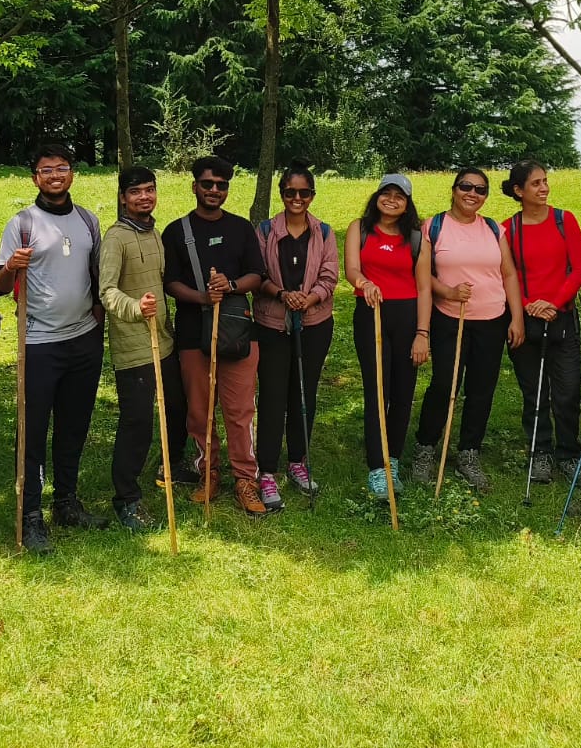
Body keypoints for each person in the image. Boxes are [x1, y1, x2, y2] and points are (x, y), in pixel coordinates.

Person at [0, 144, 110, 553]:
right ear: (35, 178)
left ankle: (66, 503)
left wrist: (98, 321)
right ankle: (30, 515)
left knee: (74, 425)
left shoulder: (88, 221)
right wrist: (12, 267)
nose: (55, 175)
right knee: (33, 431)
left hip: (83, 340)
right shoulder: (22, 224)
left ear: (72, 174)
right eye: (46, 170)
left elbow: (96, 274)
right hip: (39, 343)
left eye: (62, 168)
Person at [162, 155, 268, 516]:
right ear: (194, 186)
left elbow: (257, 274)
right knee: (199, 410)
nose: (214, 190)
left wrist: (232, 285)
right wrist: (203, 297)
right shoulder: (176, 232)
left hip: (238, 333)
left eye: (221, 185)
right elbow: (170, 283)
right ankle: (208, 471)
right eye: (207, 184)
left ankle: (245, 479)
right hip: (194, 334)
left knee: (240, 410)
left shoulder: (241, 228)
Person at [409, 168, 525, 494]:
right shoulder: (434, 226)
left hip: (492, 320)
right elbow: (420, 276)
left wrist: (516, 318)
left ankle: (469, 453)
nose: (472, 193)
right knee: (445, 384)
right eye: (466, 186)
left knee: (481, 389)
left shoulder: (493, 229)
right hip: (449, 318)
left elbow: (509, 275)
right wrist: (447, 292)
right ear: (454, 188)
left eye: (480, 189)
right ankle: (426, 448)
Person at [253, 162, 340, 508]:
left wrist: (311, 296)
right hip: (272, 323)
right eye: (291, 192)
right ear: (282, 193)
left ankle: (298, 462)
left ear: (312, 195)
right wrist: (281, 293)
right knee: (273, 396)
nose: (297, 198)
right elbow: (255, 273)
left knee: (304, 393)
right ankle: (268, 471)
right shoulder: (264, 230)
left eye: (304, 193)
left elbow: (331, 275)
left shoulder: (324, 232)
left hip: (315, 322)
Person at [343, 173, 433, 500]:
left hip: (407, 317)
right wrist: (364, 283)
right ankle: (377, 466)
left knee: (403, 390)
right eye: (386, 193)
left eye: (399, 195)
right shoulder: (360, 228)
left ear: (407, 203)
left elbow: (425, 288)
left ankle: (392, 458)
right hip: (371, 314)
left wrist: (422, 333)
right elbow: (351, 268)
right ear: (377, 196)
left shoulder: (418, 239)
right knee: (377, 390)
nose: (391, 199)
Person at [500, 161, 581, 483]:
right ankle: (540, 451)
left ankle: (568, 451)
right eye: (536, 183)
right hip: (524, 322)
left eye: (545, 181)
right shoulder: (507, 229)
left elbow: (579, 268)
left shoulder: (565, 221)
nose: (544, 188)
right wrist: (527, 307)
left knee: (567, 391)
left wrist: (553, 303)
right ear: (518, 191)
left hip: (561, 318)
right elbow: (504, 275)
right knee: (534, 392)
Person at [98, 166, 171, 532]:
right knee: (137, 423)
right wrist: (134, 308)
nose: (144, 197)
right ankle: (126, 498)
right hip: (133, 347)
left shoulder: (155, 233)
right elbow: (107, 290)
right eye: (136, 192)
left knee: (175, 411)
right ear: (124, 198)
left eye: (150, 190)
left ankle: (170, 471)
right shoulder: (116, 238)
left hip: (164, 341)